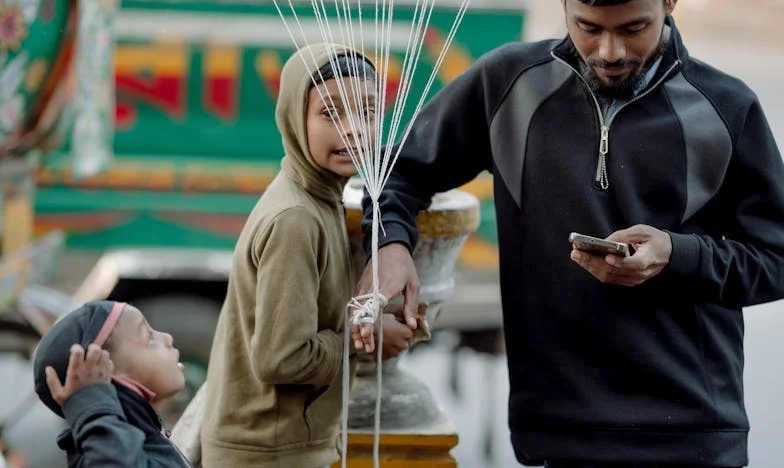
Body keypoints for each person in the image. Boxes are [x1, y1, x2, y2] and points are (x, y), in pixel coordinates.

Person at [353, 0, 784, 467]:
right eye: (588, 27)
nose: (610, 51)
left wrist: (676, 256)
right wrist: (389, 244)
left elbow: (777, 259)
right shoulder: (509, 84)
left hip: (692, 434)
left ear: (669, 3)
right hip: (558, 431)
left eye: (633, 28)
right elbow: (395, 174)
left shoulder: (726, 107)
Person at [199, 43, 415, 468]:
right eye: (331, 113)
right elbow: (282, 357)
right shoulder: (296, 219)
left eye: (369, 112)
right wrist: (365, 339)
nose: (354, 130)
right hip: (268, 453)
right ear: (295, 119)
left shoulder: (320, 198)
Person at [32, 300, 190, 467]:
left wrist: (146, 410)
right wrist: (91, 404)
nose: (168, 338)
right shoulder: (105, 456)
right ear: (107, 377)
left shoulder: (137, 439)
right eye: (149, 338)